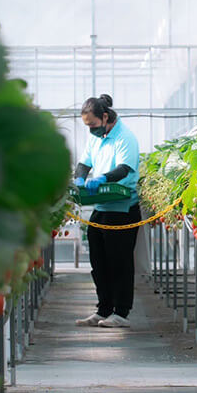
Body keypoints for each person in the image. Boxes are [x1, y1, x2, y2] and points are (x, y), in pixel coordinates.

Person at [73, 94, 141, 328]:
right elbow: (84, 162)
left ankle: (121, 312)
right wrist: (81, 177)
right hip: (102, 206)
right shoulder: (97, 137)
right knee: (98, 260)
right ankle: (103, 309)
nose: (89, 130)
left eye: (92, 124)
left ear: (104, 116)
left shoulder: (125, 137)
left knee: (119, 261)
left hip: (122, 207)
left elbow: (124, 169)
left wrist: (102, 178)